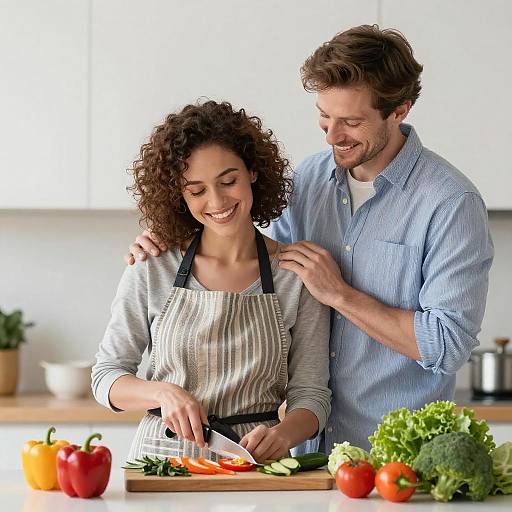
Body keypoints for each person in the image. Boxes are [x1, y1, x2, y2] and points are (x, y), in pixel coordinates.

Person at [124, 25, 494, 453]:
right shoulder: (311, 180)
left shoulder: (450, 203)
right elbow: (249, 250)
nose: (332, 135)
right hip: (307, 456)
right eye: (324, 115)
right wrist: (171, 237)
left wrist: (340, 294)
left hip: (395, 457)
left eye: (351, 122)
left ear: (400, 110)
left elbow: (446, 345)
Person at [92, 100, 331, 463]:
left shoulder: (295, 275)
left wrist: (283, 434)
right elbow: (106, 377)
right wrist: (163, 393)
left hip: (253, 466)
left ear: (252, 171)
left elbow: (312, 395)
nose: (217, 201)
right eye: (196, 190)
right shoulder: (153, 265)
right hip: (163, 463)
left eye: (228, 181)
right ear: (179, 194)